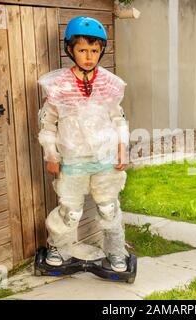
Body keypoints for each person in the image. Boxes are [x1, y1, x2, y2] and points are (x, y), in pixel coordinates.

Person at [37, 16, 130, 272]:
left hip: (104, 158)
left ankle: (115, 253)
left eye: (94, 50)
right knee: (71, 211)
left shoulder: (109, 84)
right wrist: (51, 155)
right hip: (73, 160)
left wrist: (123, 150)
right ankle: (59, 249)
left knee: (109, 208)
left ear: (101, 51)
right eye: (82, 50)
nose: (88, 56)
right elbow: (48, 125)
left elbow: (119, 121)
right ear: (70, 50)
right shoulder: (59, 86)